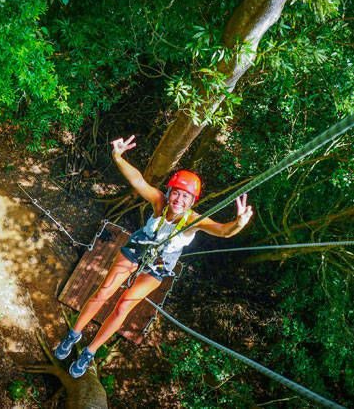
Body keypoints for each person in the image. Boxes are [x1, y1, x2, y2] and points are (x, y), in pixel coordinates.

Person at [54, 135, 254, 378]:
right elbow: (138, 181)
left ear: (192, 202)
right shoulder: (160, 203)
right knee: (105, 290)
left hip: (161, 262)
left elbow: (223, 231)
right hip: (142, 245)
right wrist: (117, 156)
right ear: (170, 192)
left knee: (123, 307)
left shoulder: (191, 220)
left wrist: (239, 223)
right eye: (176, 194)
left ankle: (90, 351)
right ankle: (73, 334)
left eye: (185, 197)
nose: (179, 200)